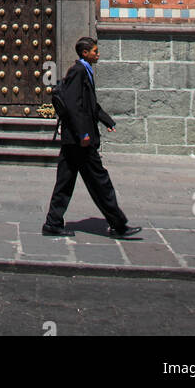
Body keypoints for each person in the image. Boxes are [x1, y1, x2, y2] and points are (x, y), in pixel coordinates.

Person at [42, 37, 141, 239]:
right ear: (85, 53)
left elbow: (89, 104)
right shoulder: (78, 71)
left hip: (74, 140)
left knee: (66, 181)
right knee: (100, 181)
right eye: (95, 51)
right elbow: (72, 105)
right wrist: (83, 134)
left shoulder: (85, 70)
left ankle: (53, 222)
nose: (98, 54)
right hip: (80, 141)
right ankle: (119, 224)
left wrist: (106, 120)